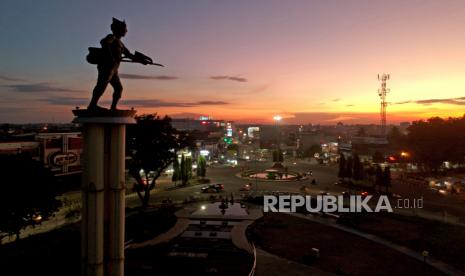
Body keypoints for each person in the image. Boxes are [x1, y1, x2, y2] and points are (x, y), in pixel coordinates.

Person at [88, 18, 135, 110]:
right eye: (124, 29)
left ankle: (113, 107)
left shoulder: (120, 43)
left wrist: (142, 60)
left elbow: (129, 55)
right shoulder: (112, 37)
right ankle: (92, 105)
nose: (126, 31)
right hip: (106, 67)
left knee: (118, 88)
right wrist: (110, 56)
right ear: (118, 29)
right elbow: (104, 42)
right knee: (101, 85)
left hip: (114, 69)